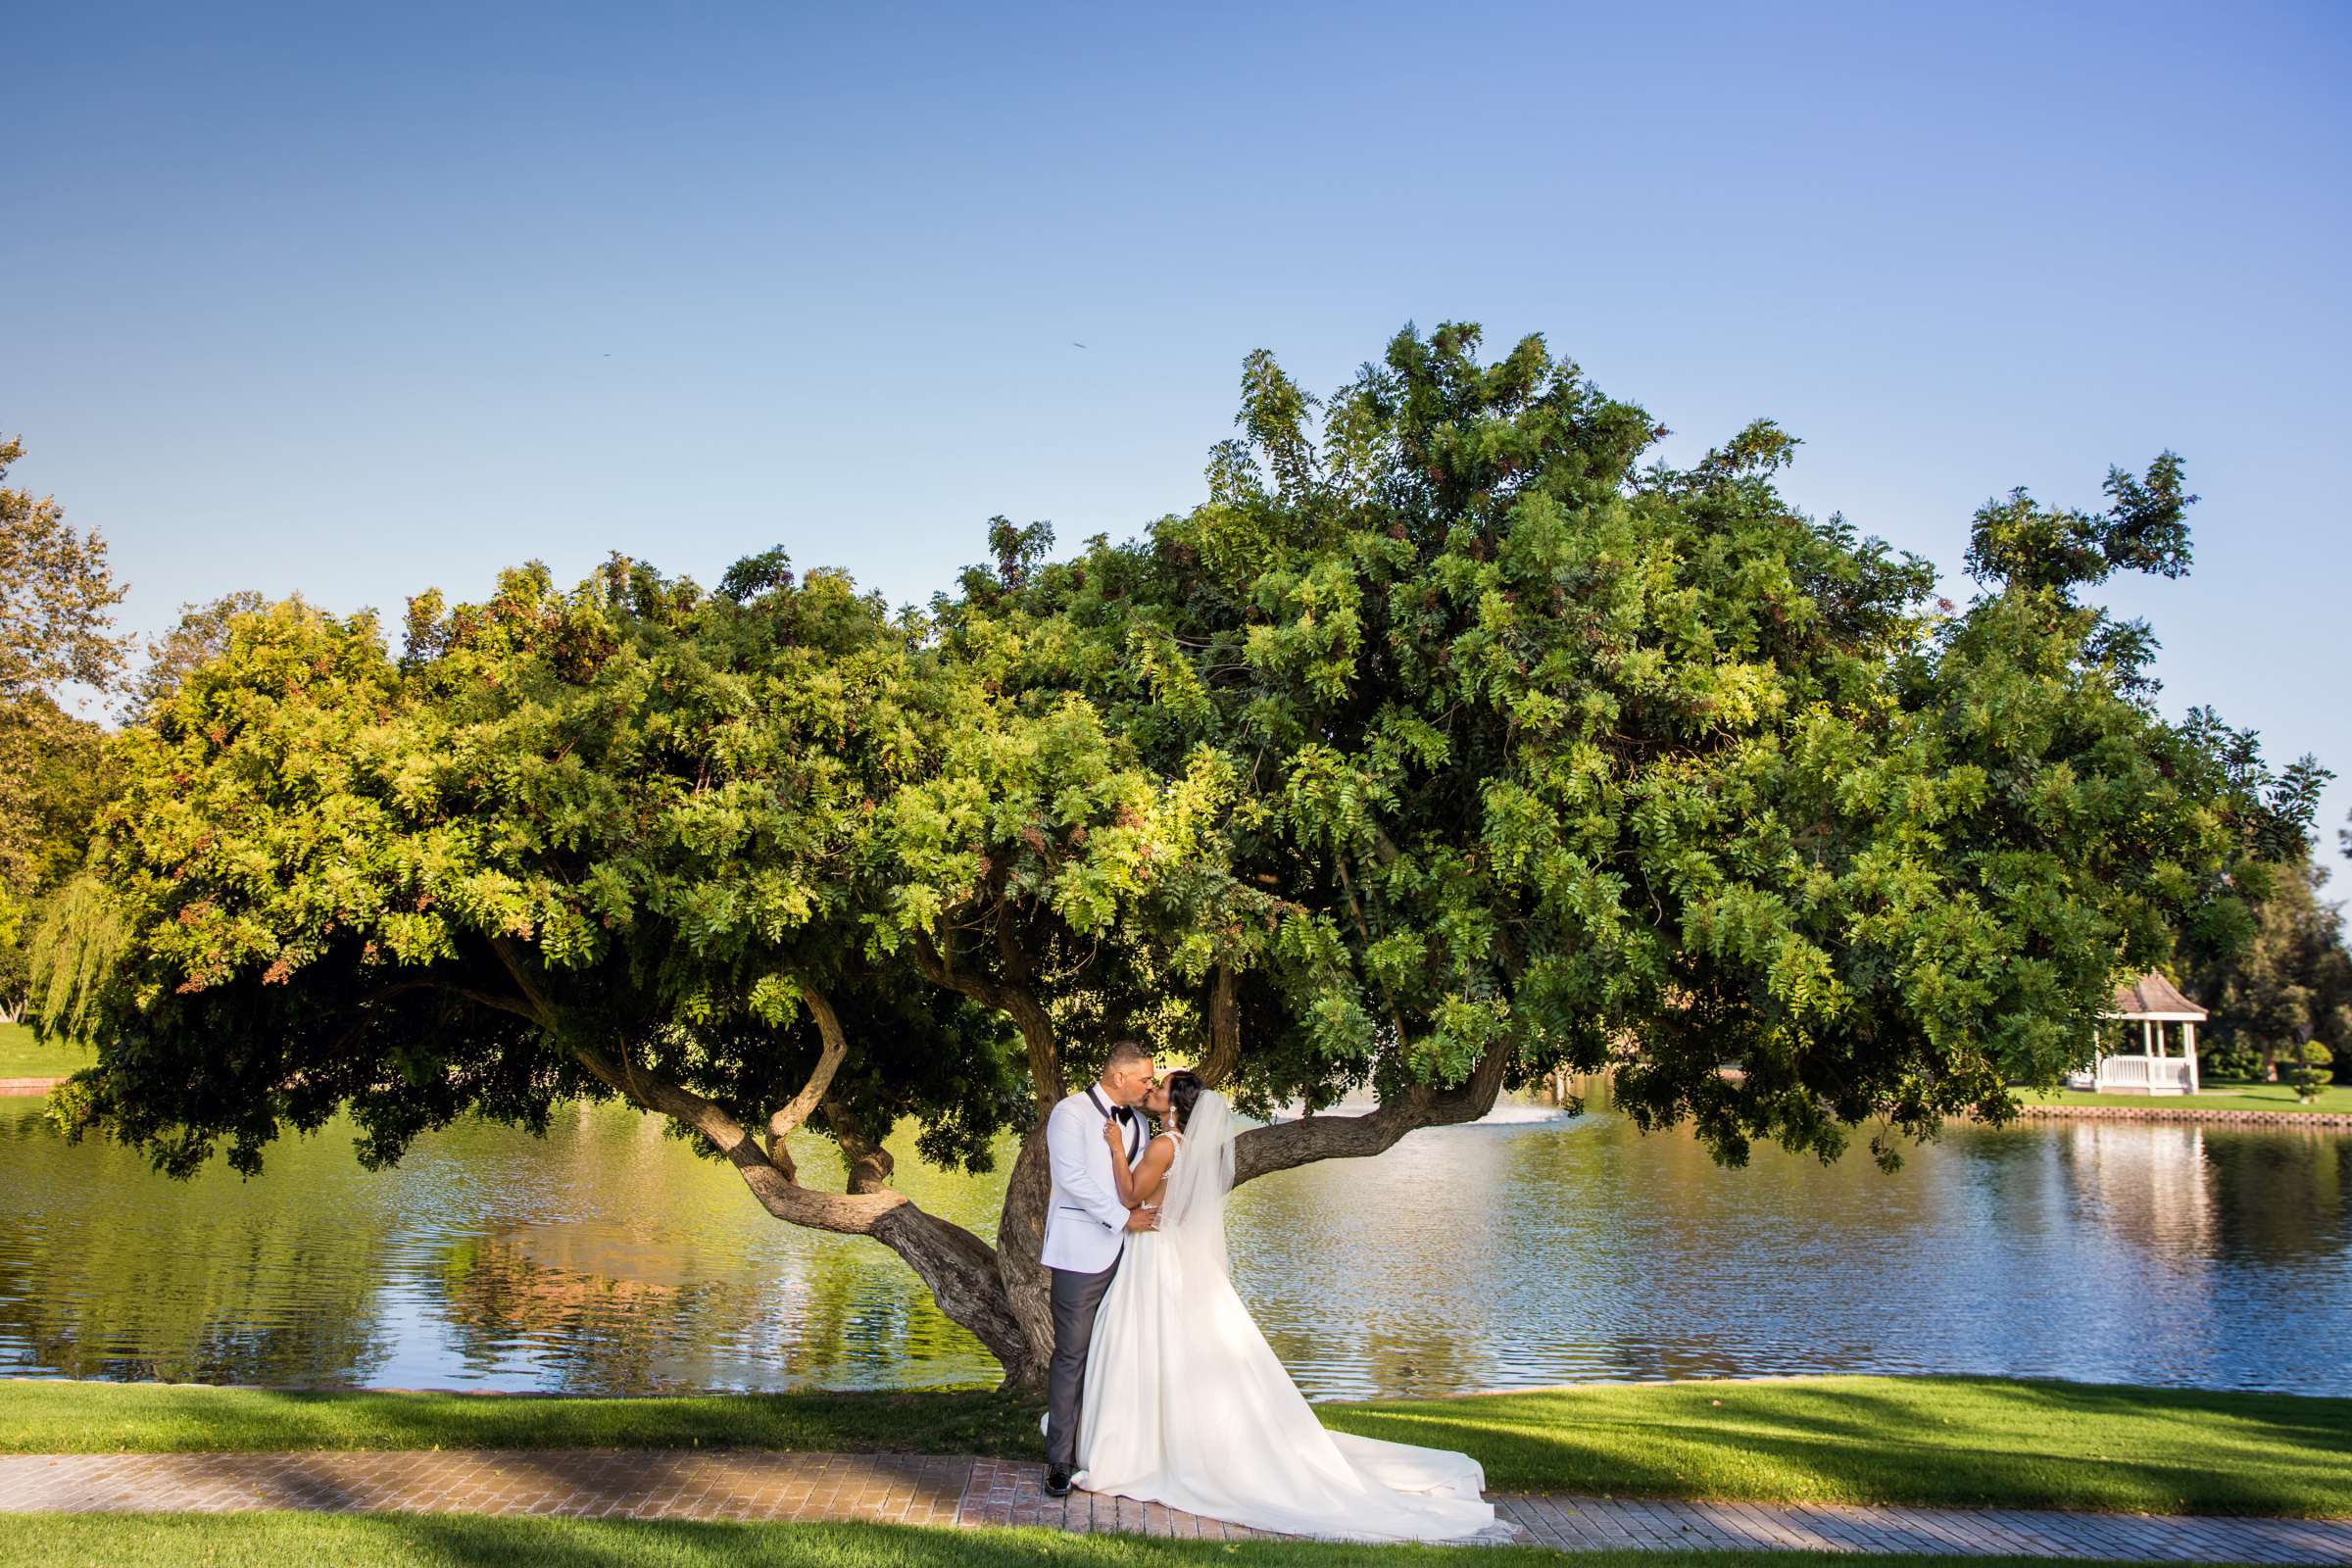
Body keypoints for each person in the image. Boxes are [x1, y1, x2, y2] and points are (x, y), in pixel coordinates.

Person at [1069, 1068, 1500, 1543]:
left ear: (1175, 1105)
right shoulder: (1188, 1150)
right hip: (1163, 1250)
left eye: (1161, 1086)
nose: (1151, 1090)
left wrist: (1113, 1148)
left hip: (1152, 1257)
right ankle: (1159, 1444)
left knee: (1143, 1344)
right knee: (1162, 1347)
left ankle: (1140, 1450)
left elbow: (1129, 1194)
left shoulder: (1163, 1146)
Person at [1039, 1038, 1159, 1497]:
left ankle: (1109, 1452)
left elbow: (1132, 1181)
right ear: (1119, 1076)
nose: (1150, 1085)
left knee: (1119, 1353)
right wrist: (1123, 1218)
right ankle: (1059, 1462)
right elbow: (1072, 1181)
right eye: (1145, 1077)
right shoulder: (1070, 1113)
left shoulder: (1141, 1125)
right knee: (1072, 1356)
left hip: (1130, 1256)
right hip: (1080, 1253)